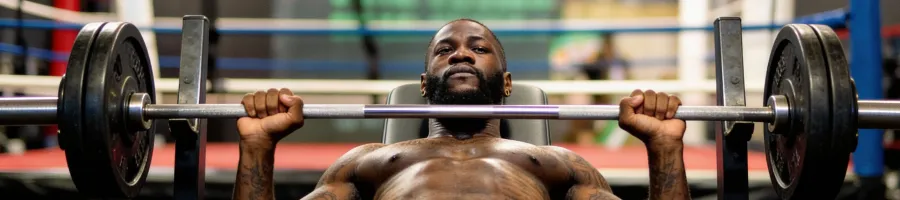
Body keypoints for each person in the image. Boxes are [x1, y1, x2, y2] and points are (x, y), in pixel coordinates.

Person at [232, 19, 690, 200]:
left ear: (507, 83)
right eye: (444, 49)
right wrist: (258, 147)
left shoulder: (560, 164)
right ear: (424, 83)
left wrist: (664, 148)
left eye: (478, 48)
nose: (460, 54)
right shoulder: (365, 161)